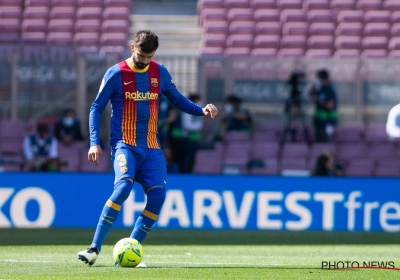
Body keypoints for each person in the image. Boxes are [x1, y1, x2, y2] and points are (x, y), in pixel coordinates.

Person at [77, 30, 218, 267]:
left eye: (148, 57)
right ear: (133, 48)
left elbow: (178, 99)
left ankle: (131, 249)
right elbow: (96, 108)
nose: (144, 61)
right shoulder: (116, 73)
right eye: (141, 55)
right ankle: (94, 248)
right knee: (123, 188)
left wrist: (201, 110)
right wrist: (94, 142)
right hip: (125, 145)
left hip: (152, 148)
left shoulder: (159, 72)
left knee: (158, 196)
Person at [170, 93, 203, 173]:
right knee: (185, 159)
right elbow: (187, 125)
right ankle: (184, 174)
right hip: (184, 139)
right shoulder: (187, 109)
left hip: (191, 138)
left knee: (190, 159)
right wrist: (200, 126)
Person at [309, 69, 337, 142]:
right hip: (319, 122)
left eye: (319, 78)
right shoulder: (320, 88)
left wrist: (318, 100)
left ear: (324, 79)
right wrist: (313, 88)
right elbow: (311, 96)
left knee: (324, 144)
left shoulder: (329, 89)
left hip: (327, 123)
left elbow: (330, 105)